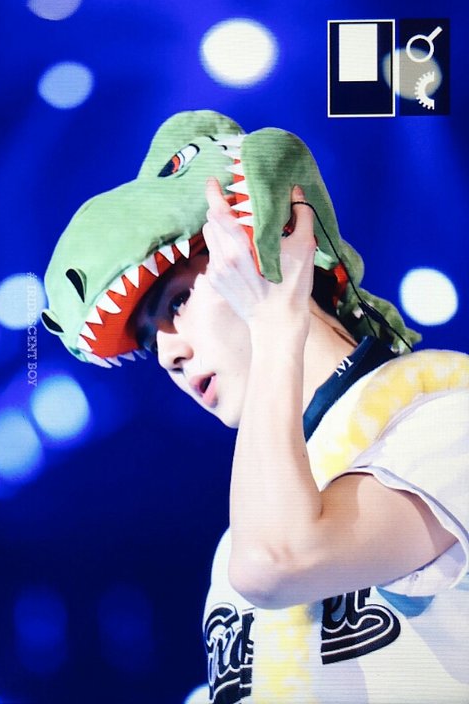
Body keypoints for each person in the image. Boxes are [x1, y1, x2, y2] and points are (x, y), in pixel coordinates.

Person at [43, 111, 469, 703]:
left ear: (270, 241)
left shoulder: (447, 422)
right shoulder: (236, 544)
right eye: (149, 337)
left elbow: (276, 561)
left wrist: (275, 324)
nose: (167, 353)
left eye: (179, 301)